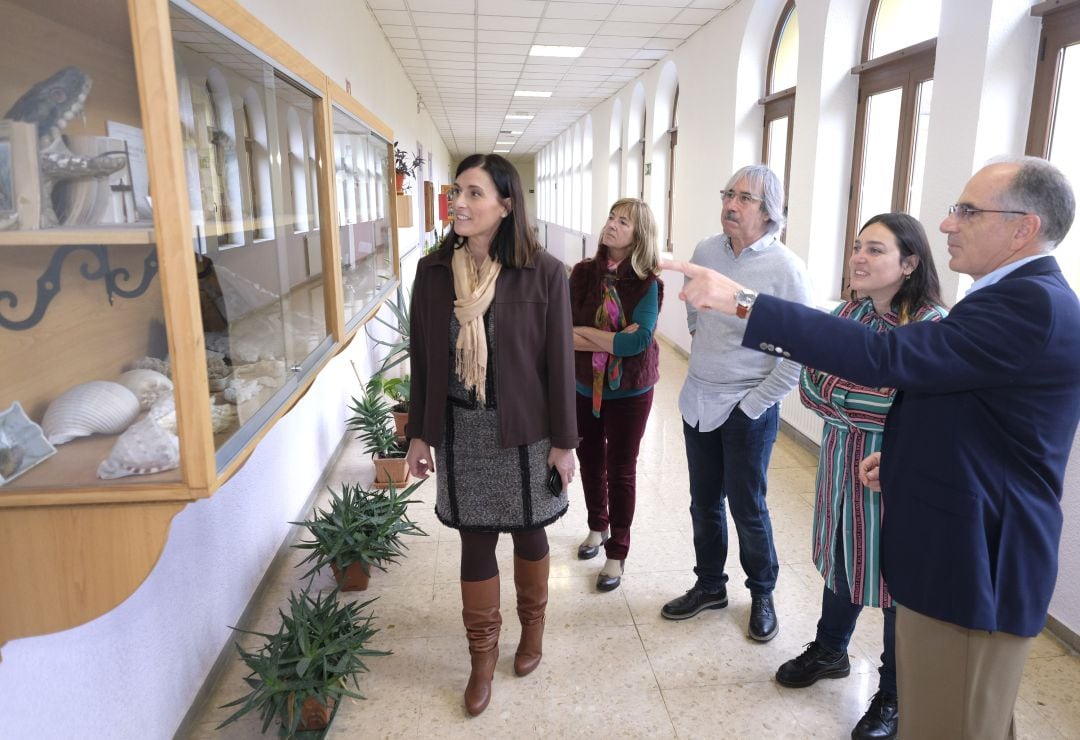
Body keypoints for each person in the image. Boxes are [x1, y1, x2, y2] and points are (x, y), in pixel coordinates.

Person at [664, 156, 1080, 740]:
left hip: (973, 563)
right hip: (959, 534)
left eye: (966, 210)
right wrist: (909, 455)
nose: (947, 223)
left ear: (1023, 227)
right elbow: (975, 417)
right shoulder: (1018, 298)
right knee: (969, 716)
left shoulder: (1028, 302)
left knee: (949, 721)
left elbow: (889, 361)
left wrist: (745, 302)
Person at [405, 154, 577, 717]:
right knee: (474, 542)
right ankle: (481, 657)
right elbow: (423, 361)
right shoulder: (433, 274)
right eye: (458, 191)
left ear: (506, 205)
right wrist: (419, 434)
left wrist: (564, 442)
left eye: (475, 194)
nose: (460, 202)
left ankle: (532, 631)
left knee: (530, 535)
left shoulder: (544, 272)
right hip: (461, 430)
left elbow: (558, 363)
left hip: (526, 432)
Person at [774, 213, 946, 740]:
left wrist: (843, 395)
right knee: (842, 557)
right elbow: (808, 385)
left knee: (894, 578)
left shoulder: (931, 326)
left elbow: (901, 409)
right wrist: (858, 396)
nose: (859, 258)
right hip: (841, 461)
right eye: (857, 246)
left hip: (894, 471)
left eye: (875, 249)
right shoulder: (848, 312)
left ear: (910, 262)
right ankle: (830, 650)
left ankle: (894, 693)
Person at [661, 164, 812, 644]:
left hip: (747, 408)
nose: (731, 204)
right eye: (728, 193)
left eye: (744, 198)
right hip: (699, 399)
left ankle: (762, 592)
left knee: (748, 507)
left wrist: (754, 405)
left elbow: (799, 352)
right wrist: (699, 337)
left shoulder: (786, 269)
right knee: (703, 502)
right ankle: (709, 586)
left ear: (769, 212)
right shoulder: (707, 250)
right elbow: (691, 301)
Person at [569, 198, 663, 592]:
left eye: (623, 221)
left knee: (621, 467)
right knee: (589, 458)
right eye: (611, 217)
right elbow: (559, 331)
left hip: (631, 389)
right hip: (582, 385)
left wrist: (586, 337)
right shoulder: (582, 273)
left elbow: (636, 344)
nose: (612, 225)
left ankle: (617, 553)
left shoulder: (648, 282)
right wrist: (607, 339)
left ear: (639, 235)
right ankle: (597, 526)